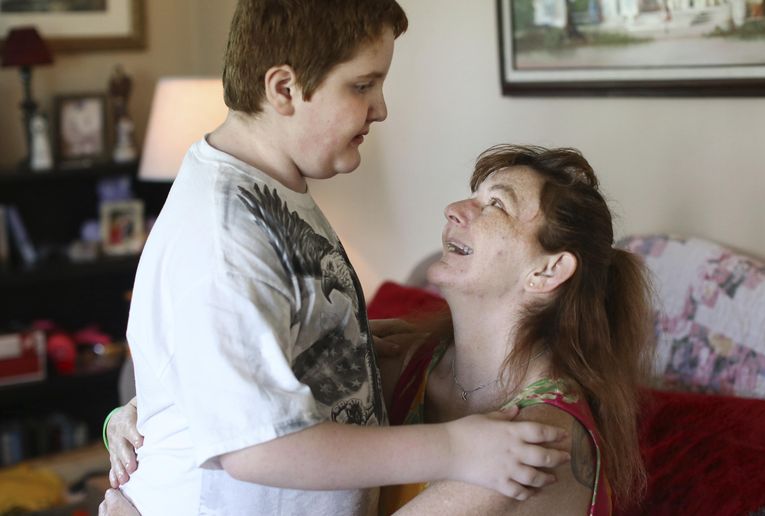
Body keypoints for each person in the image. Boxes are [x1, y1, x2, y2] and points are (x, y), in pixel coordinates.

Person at [109, 1, 572, 514]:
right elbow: (256, 448)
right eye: (362, 85)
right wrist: (457, 448)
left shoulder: (273, 190)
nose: (380, 108)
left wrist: (345, 338)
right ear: (284, 89)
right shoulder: (226, 240)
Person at [106, 144, 654, 515]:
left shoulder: (540, 441)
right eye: (473, 192)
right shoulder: (406, 358)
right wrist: (138, 423)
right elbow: (244, 393)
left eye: (496, 205)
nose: (457, 209)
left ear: (548, 270)